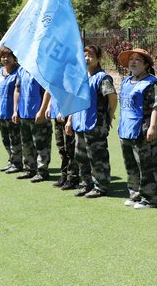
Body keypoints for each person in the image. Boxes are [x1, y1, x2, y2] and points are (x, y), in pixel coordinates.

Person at [64, 45, 117, 198]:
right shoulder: (80, 76)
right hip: (80, 123)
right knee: (81, 156)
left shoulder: (102, 77)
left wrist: (109, 116)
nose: (87, 58)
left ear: (99, 59)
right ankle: (86, 184)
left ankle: (101, 186)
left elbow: (112, 98)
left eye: (91, 55)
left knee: (97, 156)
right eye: (84, 55)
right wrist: (69, 120)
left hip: (96, 123)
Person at [117, 48, 157, 209]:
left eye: (137, 59)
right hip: (126, 130)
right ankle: (135, 194)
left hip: (143, 131)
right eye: (131, 59)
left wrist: (152, 127)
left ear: (146, 64)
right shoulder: (126, 81)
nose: (133, 62)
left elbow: (156, 106)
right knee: (131, 165)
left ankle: (151, 198)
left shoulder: (151, 82)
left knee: (147, 166)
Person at [12, 64, 52, 182]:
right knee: (26, 144)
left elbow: (48, 91)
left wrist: (42, 110)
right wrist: (15, 110)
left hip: (39, 115)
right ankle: (30, 169)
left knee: (41, 145)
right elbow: (17, 90)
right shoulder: (21, 69)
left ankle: (42, 172)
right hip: (24, 114)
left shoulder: (42, 69)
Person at [0, 47, 21, 174]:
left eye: (8, 56)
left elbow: (19, 91)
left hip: (13, 112)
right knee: (5, 139)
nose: (5, 59)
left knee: (15, 138)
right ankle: (11, 160)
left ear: (14, 57)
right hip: (1, 112)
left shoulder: (19, 72)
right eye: (3, 56)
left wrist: (16, 110)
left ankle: (17, 163)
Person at [46, 93, 79, 190]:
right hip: (57, 117)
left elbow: (74, 98)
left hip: (67, 118)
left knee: (70, 150)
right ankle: (64, 176)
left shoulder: (71, 78)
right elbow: (53, 93)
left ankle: (72, 179)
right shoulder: (58, 78)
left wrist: (69, 120)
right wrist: (49, 106)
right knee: (62, 149)